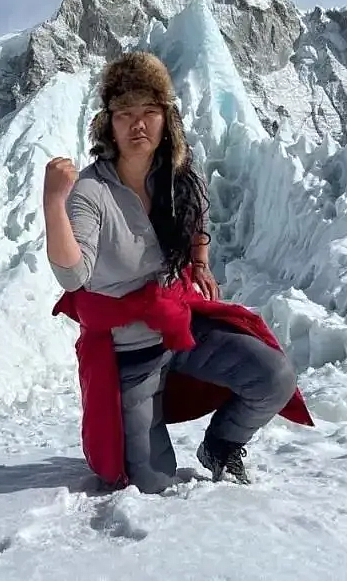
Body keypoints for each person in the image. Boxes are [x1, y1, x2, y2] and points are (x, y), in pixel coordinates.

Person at [43, 51, 314, 494]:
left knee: (274, 378)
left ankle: (222, 446)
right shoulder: (91, 192)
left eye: (149, 111)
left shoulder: (178, 175)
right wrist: (55, 203)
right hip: (130, 353)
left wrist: (201, 262)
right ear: (107, 124)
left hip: (180, 325)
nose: (138, 125)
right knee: (151, 483)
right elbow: (74, 277)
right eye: (125, 113)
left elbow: (197, 219)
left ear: (166, 118)